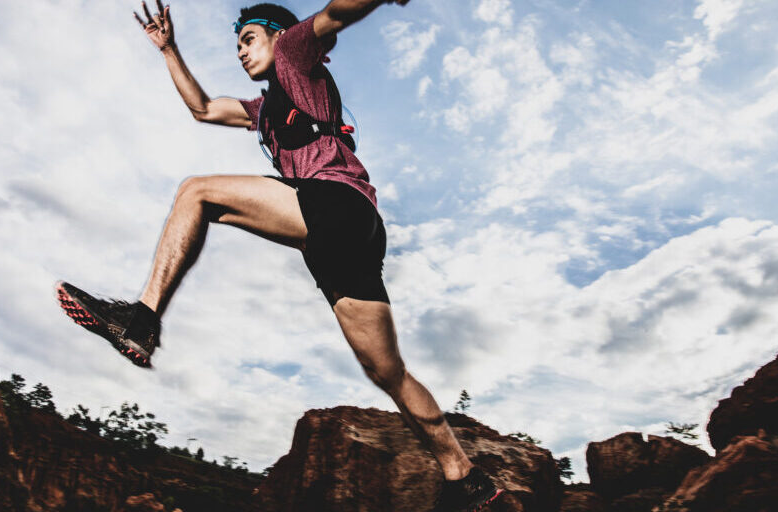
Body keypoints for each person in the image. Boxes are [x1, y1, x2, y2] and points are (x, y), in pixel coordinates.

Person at [55, 1, 505, 510]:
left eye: (249, 39)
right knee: (388, 373)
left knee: (196, 192)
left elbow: (337, 12)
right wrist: (169, 50)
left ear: (277, 36)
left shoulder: (294, 50)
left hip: (335, 204)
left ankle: (141, 319)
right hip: (348, 233)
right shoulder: (261, 108)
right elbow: (203, 108)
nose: (242, 51)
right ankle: (464, 476)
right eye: (238, 45)